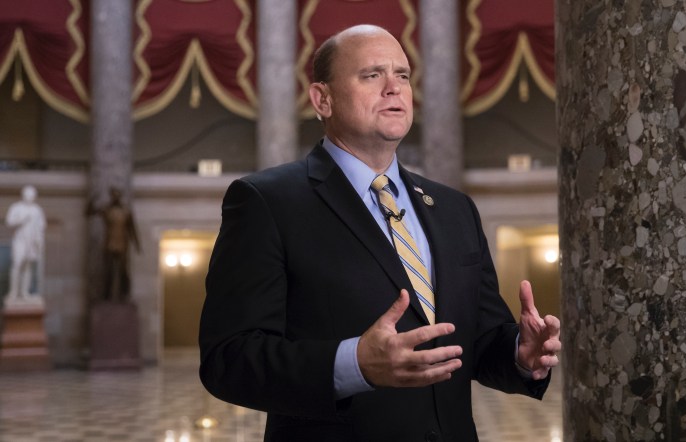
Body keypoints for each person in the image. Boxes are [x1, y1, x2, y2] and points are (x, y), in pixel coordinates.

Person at [200, 24, 561, 442]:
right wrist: (354, 363)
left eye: (403, 75)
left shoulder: (454, 209)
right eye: (372, 75)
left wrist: (519, 353)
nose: (394, 88)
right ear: (322, 99)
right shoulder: (266, 202)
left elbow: (478, 340)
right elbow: (228, 360)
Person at [86, 187, 141, 302]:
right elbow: (89, 213)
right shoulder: (107, 210)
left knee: (123, 270)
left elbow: (132, 229)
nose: (115, 198)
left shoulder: (126, 211)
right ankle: (106, 295)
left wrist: (137, 244)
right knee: (108, 270)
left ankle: (124, 294)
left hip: (122, 244)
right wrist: (92, 200)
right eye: (113, 195)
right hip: (109, 243)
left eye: (117, 195)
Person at [5, 185, 46, 302]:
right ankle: (13, 292)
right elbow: (9, 221)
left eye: (32, 195)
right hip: (20, 240)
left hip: (31, 241)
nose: (30, 197)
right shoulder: (16, 207)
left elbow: (41, 226)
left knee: (28, 266)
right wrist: (22, 219)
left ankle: (24, 292)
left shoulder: (37, 210)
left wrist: (39, 241)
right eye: (28, 194)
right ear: (23, 195)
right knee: (17, 264)